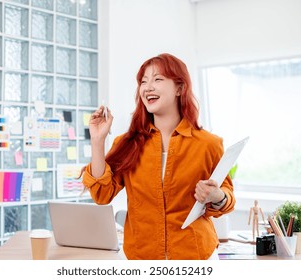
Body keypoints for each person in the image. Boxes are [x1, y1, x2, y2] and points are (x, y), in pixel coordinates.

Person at [81, 53, 235, 260]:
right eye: (143, 82)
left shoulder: (209, 144)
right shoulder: (127, 144)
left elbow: (226, 196)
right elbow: (101, 194)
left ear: (180, 88)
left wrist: (217, 197)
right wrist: (97, 141)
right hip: (140, 257)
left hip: (195, 256)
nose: (148, 87)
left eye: (157, 79)